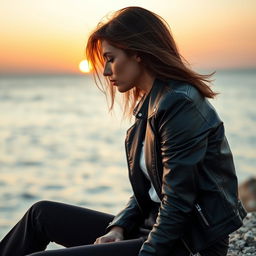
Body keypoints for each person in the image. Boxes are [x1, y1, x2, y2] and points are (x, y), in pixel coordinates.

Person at [0, 6, 247, 256]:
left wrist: (147, 253)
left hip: (187, 243)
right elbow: (151, 191)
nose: (106, 71)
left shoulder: (179, 104)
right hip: (152, 230)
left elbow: (179, 202)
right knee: (41, 214)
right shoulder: (151, 104)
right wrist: (118, 227)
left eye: (110, 58)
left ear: (138, 53)